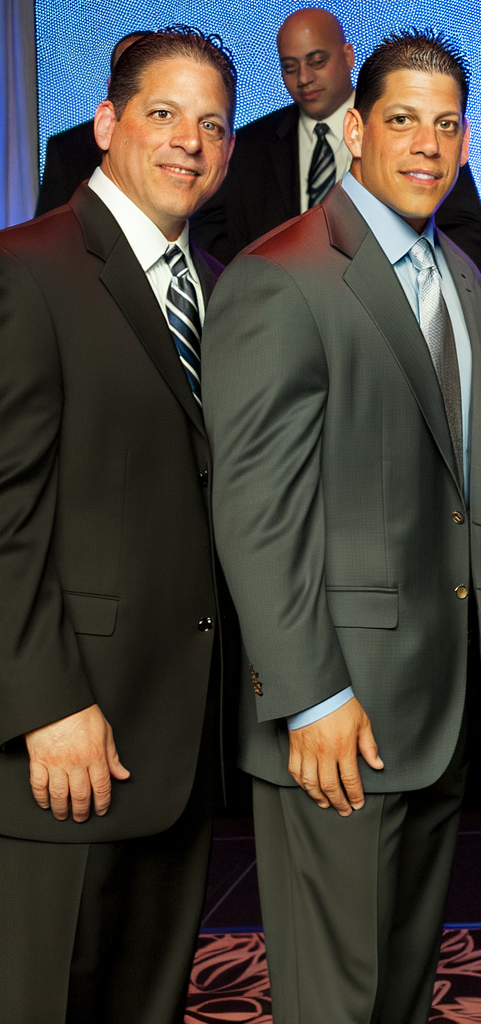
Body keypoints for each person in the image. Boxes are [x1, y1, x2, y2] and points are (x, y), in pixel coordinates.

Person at [202, 28, 481, 1024]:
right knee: (336, 1002)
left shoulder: (461, 274)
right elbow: (255, 507)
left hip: (442, 701)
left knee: (401, 994)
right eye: (404, 120)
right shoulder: (280, 273)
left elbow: (460, 491)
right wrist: (307, 693)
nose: (427, 143)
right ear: (358, 132)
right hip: (338, 713)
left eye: (446, 124)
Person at [0, 26, 237, 1024]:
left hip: (180, 741)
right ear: (106, 123)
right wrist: (45, 701)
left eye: (213, 124)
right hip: (63, 741)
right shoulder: (29, 269)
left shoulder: (222, 288)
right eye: (163, 113)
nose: (189, 140)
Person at [191, 8, 481, 268]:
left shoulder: (425, 133)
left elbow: (466, 229)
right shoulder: (246, 146)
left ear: (349, 56)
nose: (304, 78)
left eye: (317, 61)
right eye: (290, 67)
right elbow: (209, 237)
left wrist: (420, 287)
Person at [34, 30, 151, 216]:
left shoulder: (194, 144)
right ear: (111, 85)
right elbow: (48, 228)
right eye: (129, 73)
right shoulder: (68, 149)